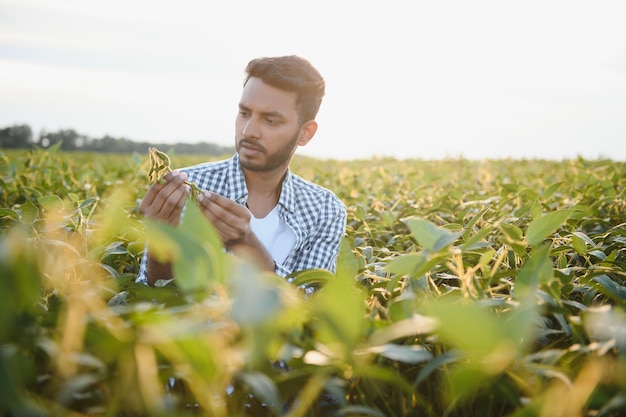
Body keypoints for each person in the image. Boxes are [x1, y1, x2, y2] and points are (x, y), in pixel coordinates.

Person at [136, 55, 347, 286]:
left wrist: (245, 243)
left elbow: (310, 305)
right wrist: (161, 244)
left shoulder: (324, 210)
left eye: (270, 120)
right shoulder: (186, 186)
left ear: (306, 133)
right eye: (244, 113)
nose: (248, 131)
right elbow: (154, 296)